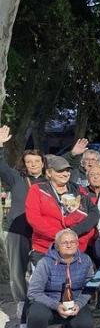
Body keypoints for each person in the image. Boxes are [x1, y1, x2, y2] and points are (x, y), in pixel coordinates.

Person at [0, 125, 47, 312]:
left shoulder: (50, 181)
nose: (33, 164)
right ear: (24, 163)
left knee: (42, 268)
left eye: (37, 161)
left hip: (41, 232)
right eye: (29, 161)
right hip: (16, 230)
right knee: (17, 271)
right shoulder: (16, 178)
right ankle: (21, 302)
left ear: (43, 163)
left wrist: (73, 158)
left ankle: (39, 301)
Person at [25, 229, 94, 328]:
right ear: (57, 246)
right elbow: (33, 292)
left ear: (77, 244)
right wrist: (56, 306)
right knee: (36, 316)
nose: (69, 245)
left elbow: (91, 286)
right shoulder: (45, 262)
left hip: (74, 301)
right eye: (64, 242)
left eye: (73, 242)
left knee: (85, 324)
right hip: (48, 301)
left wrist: (79, 304)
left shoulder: (86, 260)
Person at [25, 155, 99, 259]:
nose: (65, 174)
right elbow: (34, 219)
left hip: (75, 249)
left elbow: (94, 213)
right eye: (60, 171)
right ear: (49, 173)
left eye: (67, 170)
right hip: (46, 249)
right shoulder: (37, 190)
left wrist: (75, 232)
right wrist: (60, 236)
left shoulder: (78, 189)